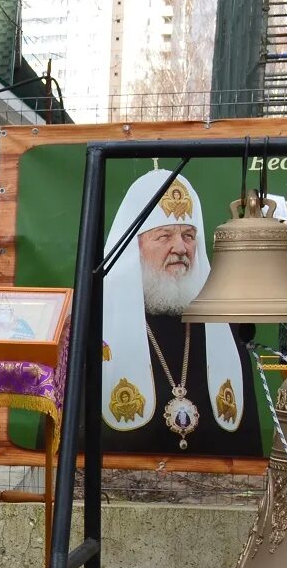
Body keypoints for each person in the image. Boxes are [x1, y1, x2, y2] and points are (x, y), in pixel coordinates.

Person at [101, 168, 262, 458]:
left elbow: (245, 442)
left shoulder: (224, 325)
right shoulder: (97, 325)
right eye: (164, 236)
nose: (180, 248)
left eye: (188, 236)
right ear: (134, 248)